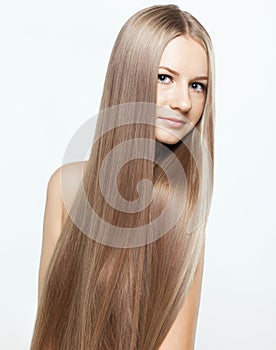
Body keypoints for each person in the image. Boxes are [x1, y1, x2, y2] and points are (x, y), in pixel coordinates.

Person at [31, 4, 215, 350]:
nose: (183, 102)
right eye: (165, 78)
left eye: (197, 86)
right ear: (129, 76)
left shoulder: (180, 210)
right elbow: (46, 331)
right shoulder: (64, 187)